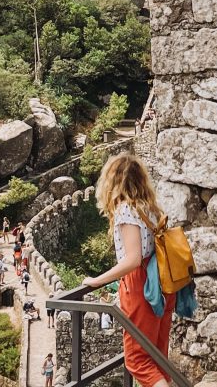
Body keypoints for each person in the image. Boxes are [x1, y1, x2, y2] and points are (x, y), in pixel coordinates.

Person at [81, 153, 175, 387]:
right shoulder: (150, 207)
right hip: (162, 279)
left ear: (113, 182)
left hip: (141, 284)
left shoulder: (126, 209)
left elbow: (133, 259)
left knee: (138, 361)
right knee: (157, 354)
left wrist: (96, 280)